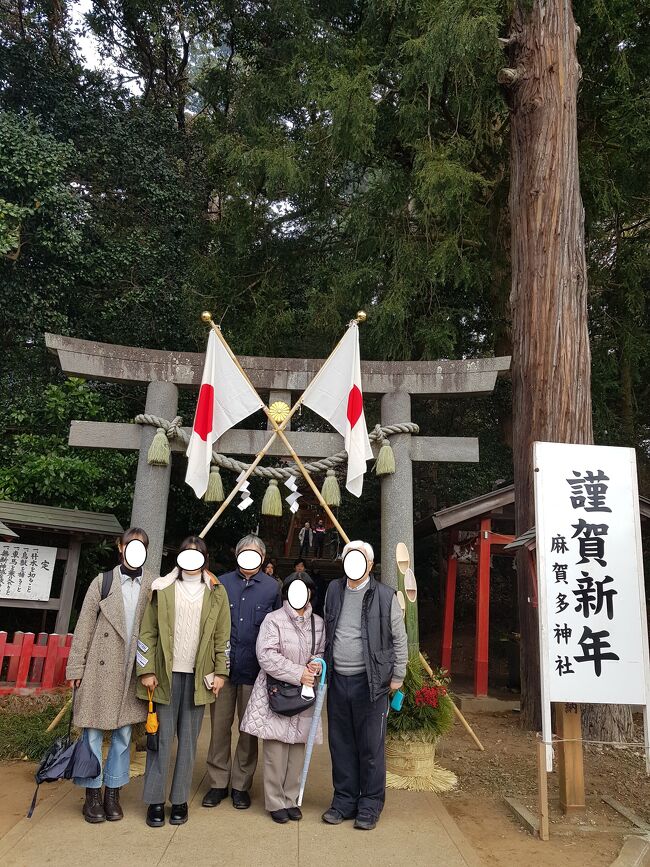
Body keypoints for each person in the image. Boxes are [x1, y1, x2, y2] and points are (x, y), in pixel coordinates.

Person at [137, 536, 230, 828]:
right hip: (164, 674)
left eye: (197, 553)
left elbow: (222, 637)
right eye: (187, 553)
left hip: (198, 676)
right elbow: (147, 633)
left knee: (188, 742)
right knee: (160, 740)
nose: (191, 558)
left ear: (204, 557)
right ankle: (155, 800)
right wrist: (146, 669)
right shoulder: (162, 588)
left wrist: (221, 672)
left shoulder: (216, 592)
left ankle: (179, 801)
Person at [65, 528, 153, 823]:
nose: (135, 550)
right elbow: (84, 626)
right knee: (91, 733)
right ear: (120, 547)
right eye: (131, 545)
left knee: (124, 734)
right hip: (100, 669)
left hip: (131, 669)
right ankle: (91, 794)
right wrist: (76, 667)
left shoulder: (153, 583)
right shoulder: (102, 582)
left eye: (141, 546)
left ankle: (112, 792)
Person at [322, 540, 407, 831]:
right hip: (337, 680)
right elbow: (328, 630)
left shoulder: (386, 596)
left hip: (371, 682)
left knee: (371, 746)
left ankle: (370, 805)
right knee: (341, 743)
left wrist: (398, 675)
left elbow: (400, 637)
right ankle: (344, 801)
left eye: (359, 559)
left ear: (370, 565)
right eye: (348, 558)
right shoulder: (334, 590)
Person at [203, 534, 281, 810]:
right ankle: (217, 782)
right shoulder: (221, 584)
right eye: (244, 552)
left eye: (254, 553)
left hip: (254, 672)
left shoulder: (272, 588)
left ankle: (240, 785)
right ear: (237, 555)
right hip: (223, 671)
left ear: (262, 556)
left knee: (249, 732)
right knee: (219, 728)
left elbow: (277, 629)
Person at [241, 573, 325, 823]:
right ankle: (275, 801)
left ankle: (291, 798)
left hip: (305, 692)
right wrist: (298, 673)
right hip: (277, 690)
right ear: (285, 592)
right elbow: (266, 655)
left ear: (310, 592)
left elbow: (321, 651)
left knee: (298, 748)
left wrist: (316, 666)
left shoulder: (318, 623)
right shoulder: (273, 619)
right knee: (275, 749)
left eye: (305, 589)